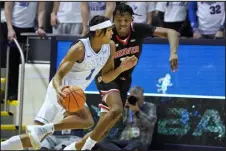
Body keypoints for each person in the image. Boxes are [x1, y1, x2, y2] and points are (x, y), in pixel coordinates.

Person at [1, 15, 138, 150]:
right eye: (108, 30)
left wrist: (121, 68)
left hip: (75, 91)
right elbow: (58, 75)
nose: (112, 32)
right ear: (97, 32)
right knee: (87, 121)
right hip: (63, 90)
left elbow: (106, 77)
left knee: (33, 139)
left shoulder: (110, 46)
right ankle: (48, 132)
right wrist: (59, 89)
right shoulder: (79, 48)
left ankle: (10, 144)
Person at [64, 3, 179, 150]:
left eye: (126, 20)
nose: (123, 24)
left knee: (103, 131)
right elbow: (79, 45)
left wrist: (173, 52)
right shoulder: (105, 32)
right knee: (117, 108)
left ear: (131, 20)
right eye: (119, 20)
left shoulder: (138, 29)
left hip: (124, 81)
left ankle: (72, 148)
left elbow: (172, 32)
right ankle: (86, 148)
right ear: (113, 20)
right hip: (106, 76)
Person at [96, 86, 157, 151]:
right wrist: (122, 109)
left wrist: (137, 111)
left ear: (142, 97)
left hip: (140, 141)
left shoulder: (150, 106)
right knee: (102, 142)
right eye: (132, 98)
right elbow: (117, 123)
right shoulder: (127, 107)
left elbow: (150, 124)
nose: (134, 101)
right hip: (124, 141)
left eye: (137, 98)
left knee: (136, 143)